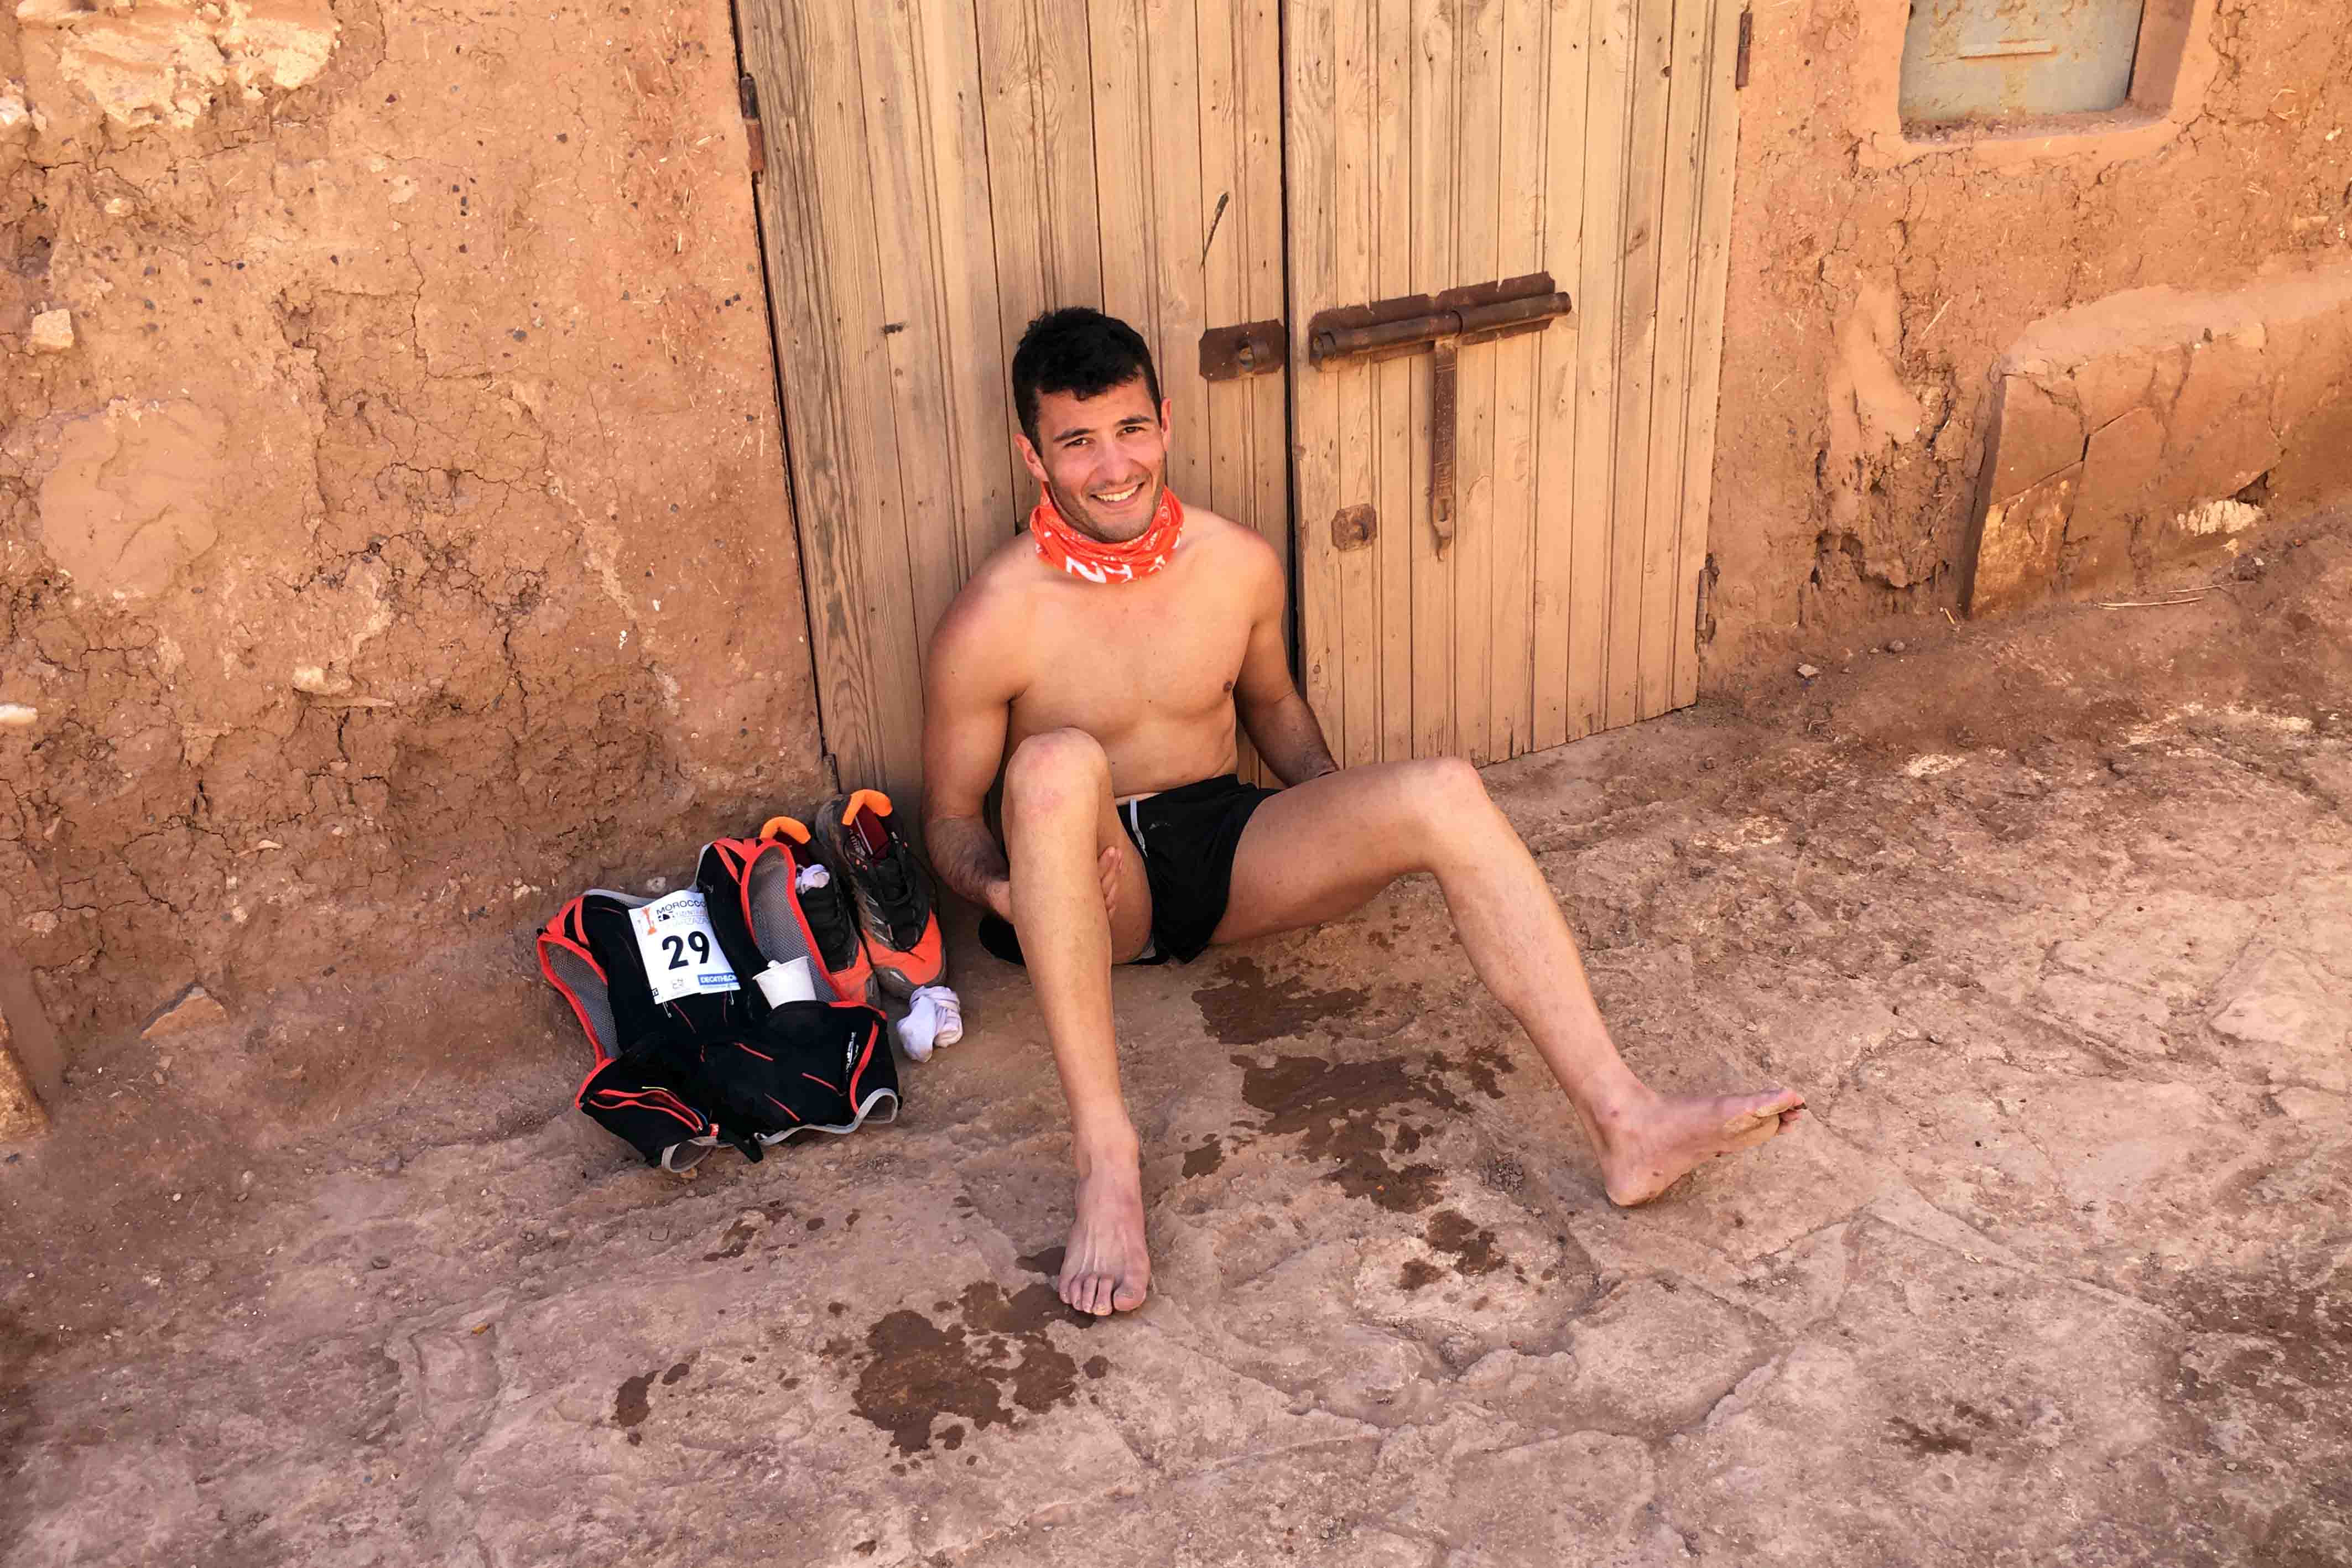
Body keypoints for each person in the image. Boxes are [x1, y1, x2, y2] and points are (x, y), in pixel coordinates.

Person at [922, 308, 1803, 1318]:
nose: (1113, 466)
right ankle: (1107, 1160)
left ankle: (1627, 1122)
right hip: (1093, 877)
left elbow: (1272, 709)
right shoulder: (995, 615)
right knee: (1053, 764)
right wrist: (1015, 892)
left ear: (1164, 422)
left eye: (1129, 430)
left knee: (1443, 789)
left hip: (1222, 841)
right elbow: (948, 818)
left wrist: (1339, 819)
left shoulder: (1236, 563)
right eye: (1078, 442)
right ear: (1033, 456)